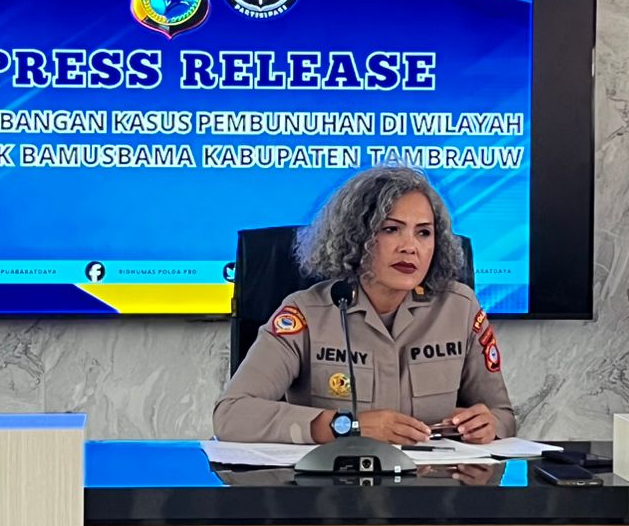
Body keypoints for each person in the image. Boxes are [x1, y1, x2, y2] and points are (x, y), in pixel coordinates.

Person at [214, 166, 516, 446]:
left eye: (424, 232)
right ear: (356, 237)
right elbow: (231, 415)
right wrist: (344, 426)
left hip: (433, 482)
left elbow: (502, 416)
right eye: (391, 229)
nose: (410, 247)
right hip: (335, 483)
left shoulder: (460, 308)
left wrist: (487, 424)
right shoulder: (306, 313)